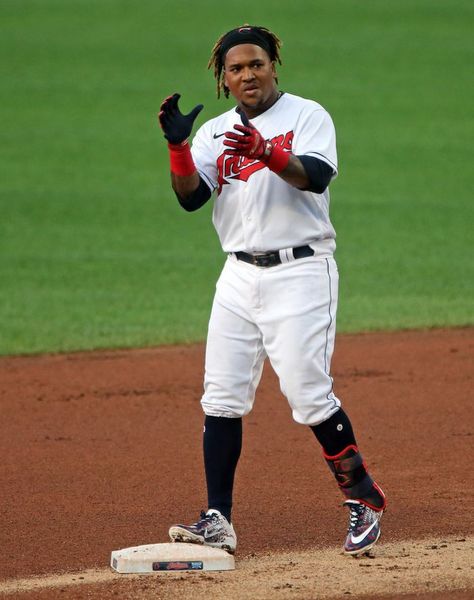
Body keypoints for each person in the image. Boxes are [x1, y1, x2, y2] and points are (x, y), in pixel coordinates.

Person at [158, 24, 386, 557]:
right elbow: (192, 199)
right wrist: (178, 147)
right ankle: (218, 518)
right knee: (221, 397)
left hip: (300, 272)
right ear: (224, 79)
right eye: (235, 69)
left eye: (255, 64)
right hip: (237, 276)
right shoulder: (215, 131)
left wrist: (267, 152)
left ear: (273, 66)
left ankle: (363, 498)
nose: (247, 75)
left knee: (309, 397)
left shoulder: (307, 116)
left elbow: (315, 176)